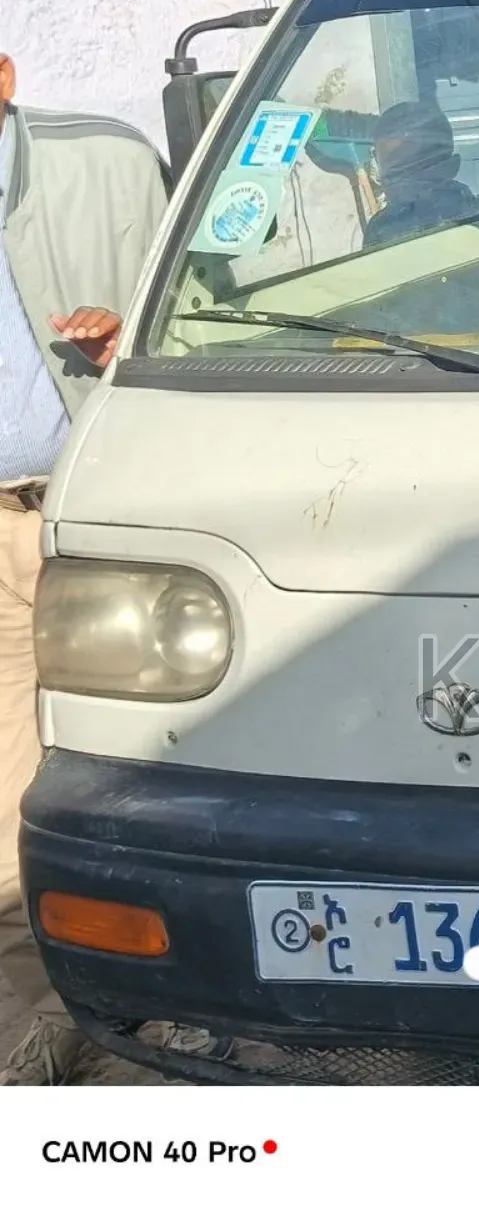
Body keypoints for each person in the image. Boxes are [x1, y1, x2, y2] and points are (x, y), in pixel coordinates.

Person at [0, 53, 169, 1085]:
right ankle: (43, 1014)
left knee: (141, 754)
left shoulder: (103, 167)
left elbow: (227, 306)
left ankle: (165, 990)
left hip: (90, 512)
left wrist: (131, 339)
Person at [362, 100, 479, 249]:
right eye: (394, 172)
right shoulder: (380, 231)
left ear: (450, 166)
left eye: (418, 167)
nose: (404, 182)